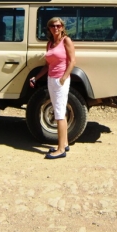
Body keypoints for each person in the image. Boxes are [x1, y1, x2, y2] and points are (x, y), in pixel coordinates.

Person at [30, 17, 76, 159]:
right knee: (59, 110)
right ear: (49, 28)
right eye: (52, 26)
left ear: (62, 27)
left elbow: (72, 61)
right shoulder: (50, 44)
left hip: (61, 81)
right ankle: (65, 143)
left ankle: (60, 149)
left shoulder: (66, 41)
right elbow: (47, 65)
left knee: (59, 113)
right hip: (51, 79)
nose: (55, 28)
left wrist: (63, 77)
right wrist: (36, 77)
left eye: (58, 25)